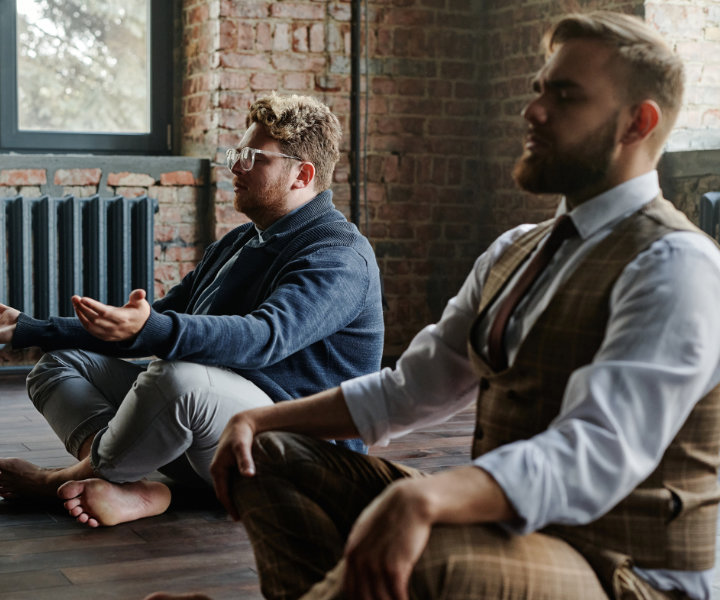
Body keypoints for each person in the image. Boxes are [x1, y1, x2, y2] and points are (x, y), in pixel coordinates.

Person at [148, 10, 720, 600]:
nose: (533, 110)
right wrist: (258, 418)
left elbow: (597, 454)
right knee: (262, 454)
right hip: (514, 528)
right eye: (538, 89)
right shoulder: (514, 252)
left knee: (427, 551)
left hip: (625, 570)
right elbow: (408, 390)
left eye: (565, 95)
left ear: (637, 123)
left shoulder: (675, 264)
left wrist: (428, 496)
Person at [0, 92, 384, 528]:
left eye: (254, 157)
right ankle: (120, 479)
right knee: (59, 363)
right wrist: (26, 328)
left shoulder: (338, 254)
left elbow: (263, 337)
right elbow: (154, 323)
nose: (236, 166)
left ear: (303, 174)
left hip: (297, 459)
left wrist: (154, 328)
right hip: (219, 434)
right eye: (237, 152)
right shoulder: (238, 242)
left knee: (177, 377)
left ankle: (64, 482)